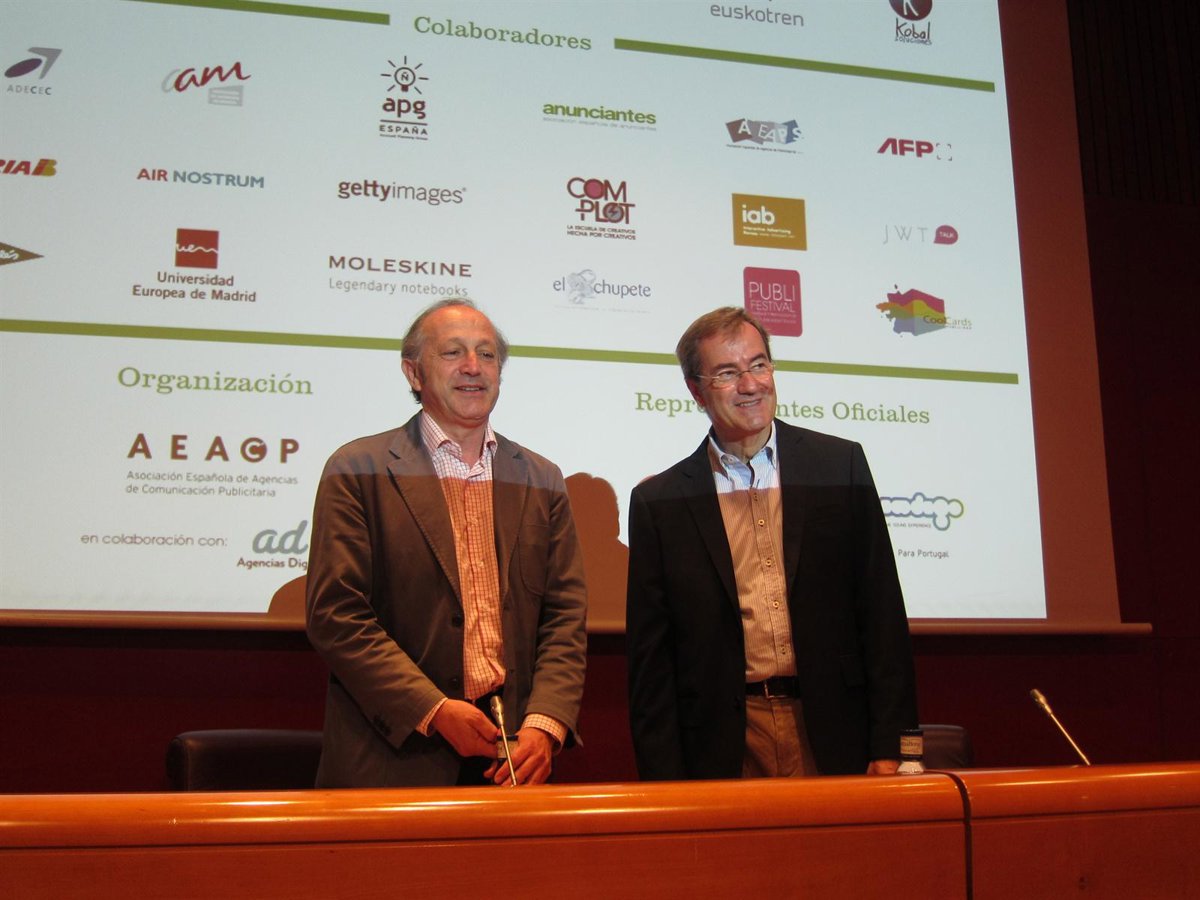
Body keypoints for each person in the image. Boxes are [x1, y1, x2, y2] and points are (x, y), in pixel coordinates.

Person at [626, 307, 916, 780]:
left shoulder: (839, 466)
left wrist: (891, 745)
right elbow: (651, 662)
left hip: (836, 731)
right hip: (721, 746)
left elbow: (882, 614)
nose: (751, 384)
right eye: (727, 373)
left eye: (758, 365)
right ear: (696, 390)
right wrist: (664, 782)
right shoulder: (661, 502)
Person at [306, 298, 587, 787]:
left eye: (487, 354)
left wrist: (546, 724)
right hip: (395, 757)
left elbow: (564, 616)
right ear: (413, 373)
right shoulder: (357, 469)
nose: (473, 367)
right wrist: (432, 709)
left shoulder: (541, 478)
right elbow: (337, 615)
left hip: (511, 757)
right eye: (453, 352)